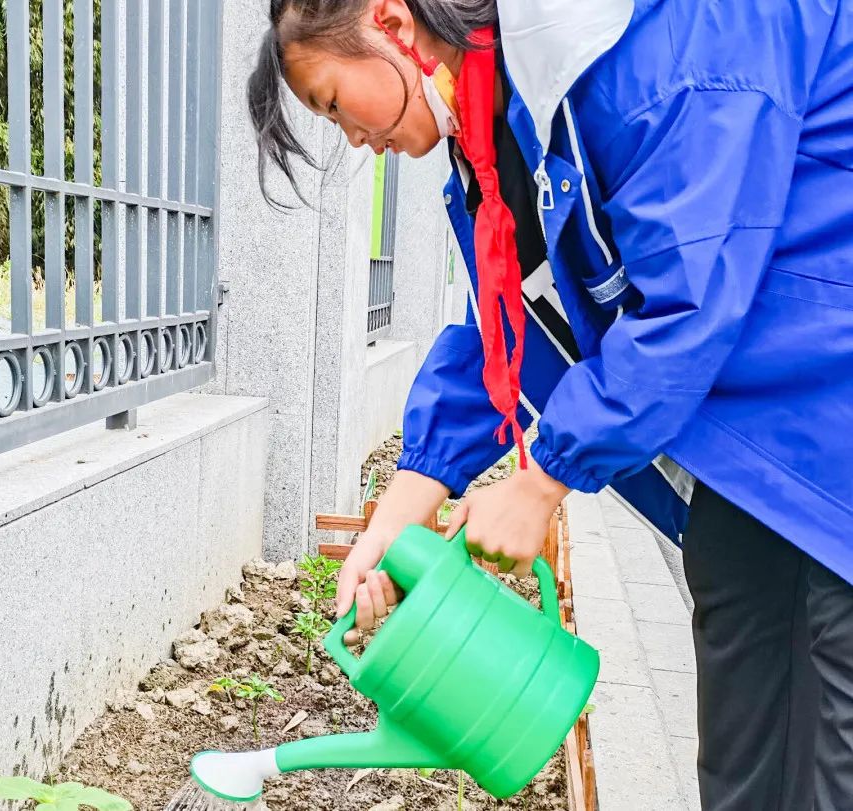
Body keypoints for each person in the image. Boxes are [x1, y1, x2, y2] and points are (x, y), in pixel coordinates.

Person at [248, 1, 853, 808]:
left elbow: (687, 299)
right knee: (745, 768)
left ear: (390, 21)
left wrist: (542, 481)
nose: (353, 139)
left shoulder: (647, 46)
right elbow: (512, 324)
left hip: (828, 425)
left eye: (332, 103)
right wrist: (398, 511)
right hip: (749, 454)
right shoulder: (506, 128)